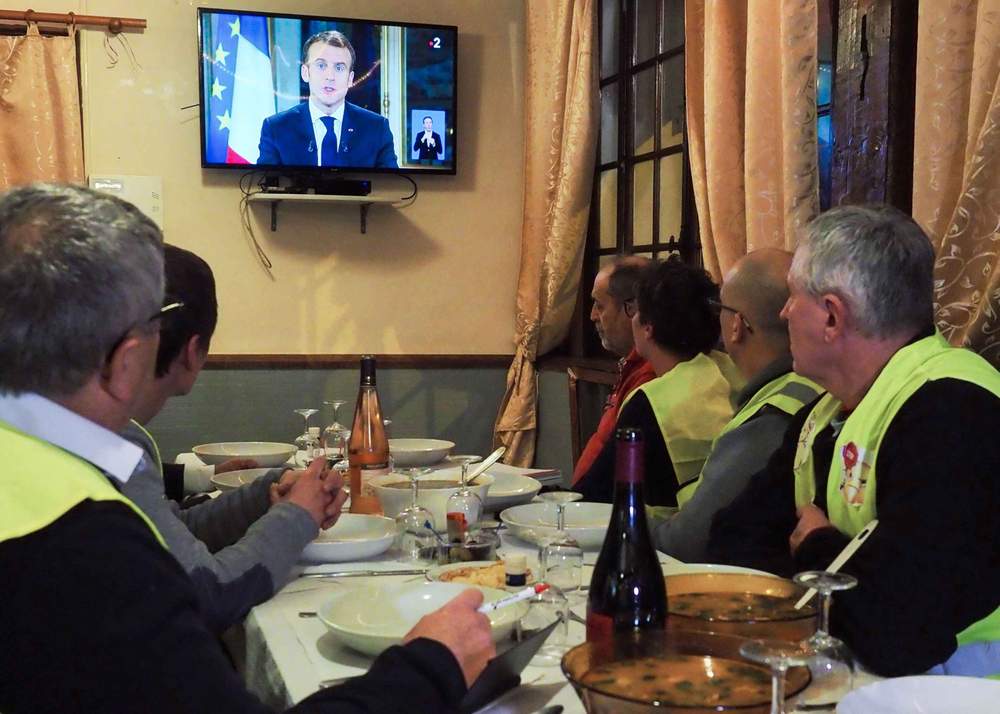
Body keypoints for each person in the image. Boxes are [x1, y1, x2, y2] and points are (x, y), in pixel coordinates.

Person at [0, 183, 493, 713]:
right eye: (153, 326)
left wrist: (261, 499)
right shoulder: (88, 541)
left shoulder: (39, 470)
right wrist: (431, 665)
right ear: (126, 360)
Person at [707, 205, 1000, 677]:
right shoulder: (824, 414)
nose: (782, 314)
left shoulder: (955, 413)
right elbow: (730, 540)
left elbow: (897, 634)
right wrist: (849, 568)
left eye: (792, 298)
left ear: (831, 317)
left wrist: (818, 545)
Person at [122, 244, 324, 633]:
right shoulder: (107, 443)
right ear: (194, 351)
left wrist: (263, 497)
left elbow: (174, 534)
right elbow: (209, 592)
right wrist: (298, 517)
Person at [650, 249, 822, 561]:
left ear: (736, 326)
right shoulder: (811, 387)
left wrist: (618, 522)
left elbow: (688, 541)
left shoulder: (772, 416)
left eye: (721, 309)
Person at [574, 257, 741, 508]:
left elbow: (595, 496)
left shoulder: (650, 401)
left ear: (648, 326)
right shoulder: (735, 372)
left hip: (670, 540)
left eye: (634, 309)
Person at [571, 256, 656, 486]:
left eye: (599, 305)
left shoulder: (651, 376)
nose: (592, 316)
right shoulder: (631, 365)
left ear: (633, 309)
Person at [258, 31, 398, 168]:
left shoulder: (376, 128)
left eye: (339, 67)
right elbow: (265, 187)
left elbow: (391, 187)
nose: (330, 76)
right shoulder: (276, 128)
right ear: (305, 73)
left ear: (350, 79)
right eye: (321, 65)